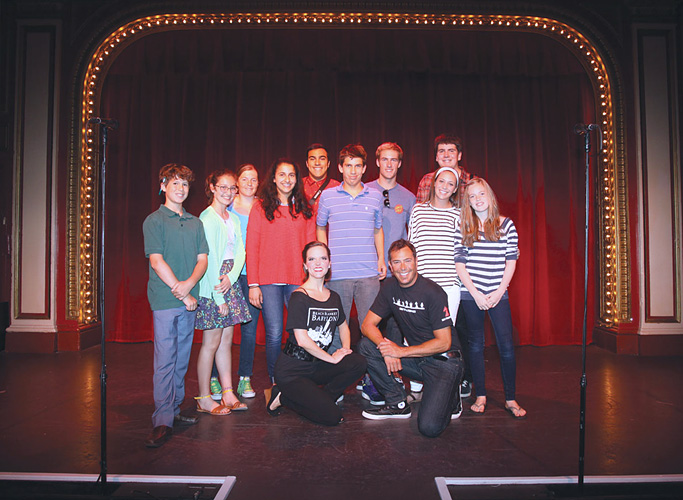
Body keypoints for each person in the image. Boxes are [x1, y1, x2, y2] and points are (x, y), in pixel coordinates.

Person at [359, 239, 463, 438]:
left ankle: (451, 394)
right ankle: (397, 403)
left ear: (416, 261)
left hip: (445, 362)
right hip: (418, 359)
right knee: (366, 346)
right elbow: (367, 325)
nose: (403, 267)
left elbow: (444, 342)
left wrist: (400, 351)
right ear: (390, 265)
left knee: (429, 428)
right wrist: (386, 348)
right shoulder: (389, 287)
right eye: (397, 262)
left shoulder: (433, 292)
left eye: (407, 260)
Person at [142, 163, 208, 448]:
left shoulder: (195, 222)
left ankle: (175, 409)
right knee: (165, 358)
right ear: (163, 186)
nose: (180, 189)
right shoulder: (154, 220)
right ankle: (161, 419)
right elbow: (156, 261)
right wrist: (181, 292)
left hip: (188, 296)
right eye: (175, 183)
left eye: (184, 184)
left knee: (182, 358)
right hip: (166, 299)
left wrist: (190, 284)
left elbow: (202, 259)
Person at [267, 241, 367, 425]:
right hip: (293, 371)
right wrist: (333, 359)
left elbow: (343, 326)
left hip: (317, 365)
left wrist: (344, 350)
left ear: (329, 263)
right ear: (305, 265)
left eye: (323, 258)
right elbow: (303, 340)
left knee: (358, 362)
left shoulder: (333, 297)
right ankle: (283, 397)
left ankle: (320, 399)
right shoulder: (299, 296)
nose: (318, 263)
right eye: (312, 259)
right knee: (332, 417)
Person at [454, 178, 527, 419]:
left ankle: (510, 398)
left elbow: (511, 261)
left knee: (506, 346)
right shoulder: (463, 226)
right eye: (472, 196)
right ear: (468, 201)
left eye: (481, 194)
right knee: (475, 345)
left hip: (498, 293)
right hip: (471, 294)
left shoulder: (506, 225)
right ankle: (481, 395)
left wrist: (498, 292)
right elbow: (460, 265)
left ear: (490, 196)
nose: (477, 199)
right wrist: (475, 294)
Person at [247, 158, 316, 384]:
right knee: (275, 333)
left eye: (292, 175)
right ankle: (277, 379)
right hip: (268, 281)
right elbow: (252, 246)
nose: (287, 179)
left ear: (297, 180)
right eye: (282, 175)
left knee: (301, 333)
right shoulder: (260, 207)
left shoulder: (305, 208)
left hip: (298, 280)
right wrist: (253, 283)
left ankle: (300, 375)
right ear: (274, 178)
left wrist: (312, 281)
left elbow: (310, 246)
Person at [415, 133, 474, 396]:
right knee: (418, 332)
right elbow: (412, 245)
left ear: (455, 187)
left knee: (445, 337)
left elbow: (462, 251)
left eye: (451, 184)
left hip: (449, 284)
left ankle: (448, 383)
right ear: (434, 182)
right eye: (442, 181)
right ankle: (418, 381)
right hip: (423, 283)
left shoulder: (460, 215)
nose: (445, 186)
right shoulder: (418, 210)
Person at [316, 144, 386, 355]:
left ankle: (371, 381)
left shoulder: (375, 196)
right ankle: (338, 376)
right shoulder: (328, 197)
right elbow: (320, 227)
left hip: (368, 274)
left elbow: (378, 230)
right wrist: (324, 259)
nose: (353, 171)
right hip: (337, 274)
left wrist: (381, 259)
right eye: (348, 165)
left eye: (357, 166)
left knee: (371, 329)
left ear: (364, 168)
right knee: (337, 328)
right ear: (340, 167)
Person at [195, 169, 252, 415]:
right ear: (212, 187)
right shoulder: (207, 218)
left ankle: (228, 391)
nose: (228, 192)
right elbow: (209, 259)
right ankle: (204, 397)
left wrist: (231, 277)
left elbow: (241, 251)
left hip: (229, 280)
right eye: (223, 187)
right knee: (211, 342)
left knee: (227, 340)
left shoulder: (234, 218)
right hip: (214, 285)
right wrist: (219, 296)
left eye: (232, 188)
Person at [228, 164, 261, 398]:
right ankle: (214, 379)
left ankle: (244, 378)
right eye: (245, 179)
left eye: (254, 179)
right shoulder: (227, 204)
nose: (249, 183)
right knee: (221, 329)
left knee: (249, 330)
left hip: (253, 275)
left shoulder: (263, 207)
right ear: (237, 182)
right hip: (228, 274)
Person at [415, 133, 472, 206]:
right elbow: (421, 212)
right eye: (441, 151)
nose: (446, 155)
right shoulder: (427, 181)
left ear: (459, 156)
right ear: (436, 157)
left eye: (451, 151)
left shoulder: (471, 182)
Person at [302, 143, 340, 211]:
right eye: (312, 159)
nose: (317, 163)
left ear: (328, 164)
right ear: (307, 164)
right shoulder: (298, 185)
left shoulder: (338, 187)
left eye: (322, 159)